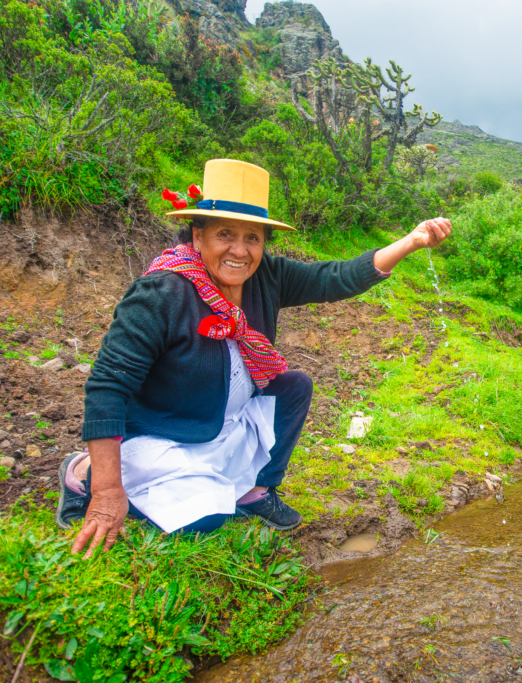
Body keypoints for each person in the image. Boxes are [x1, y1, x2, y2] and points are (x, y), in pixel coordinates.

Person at [57, 159, 451, 558]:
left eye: (253, 238)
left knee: (293, 386)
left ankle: (254, 490)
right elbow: (108, 386)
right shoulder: (160, 294)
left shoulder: (266, 277)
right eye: (225, 234)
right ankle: (83, 473)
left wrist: (411, 241)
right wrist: (107, 492)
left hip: (218, 425)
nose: (240, 251)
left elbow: (336, 277)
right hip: (163, 437)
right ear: (198, 235)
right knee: (204, 520)